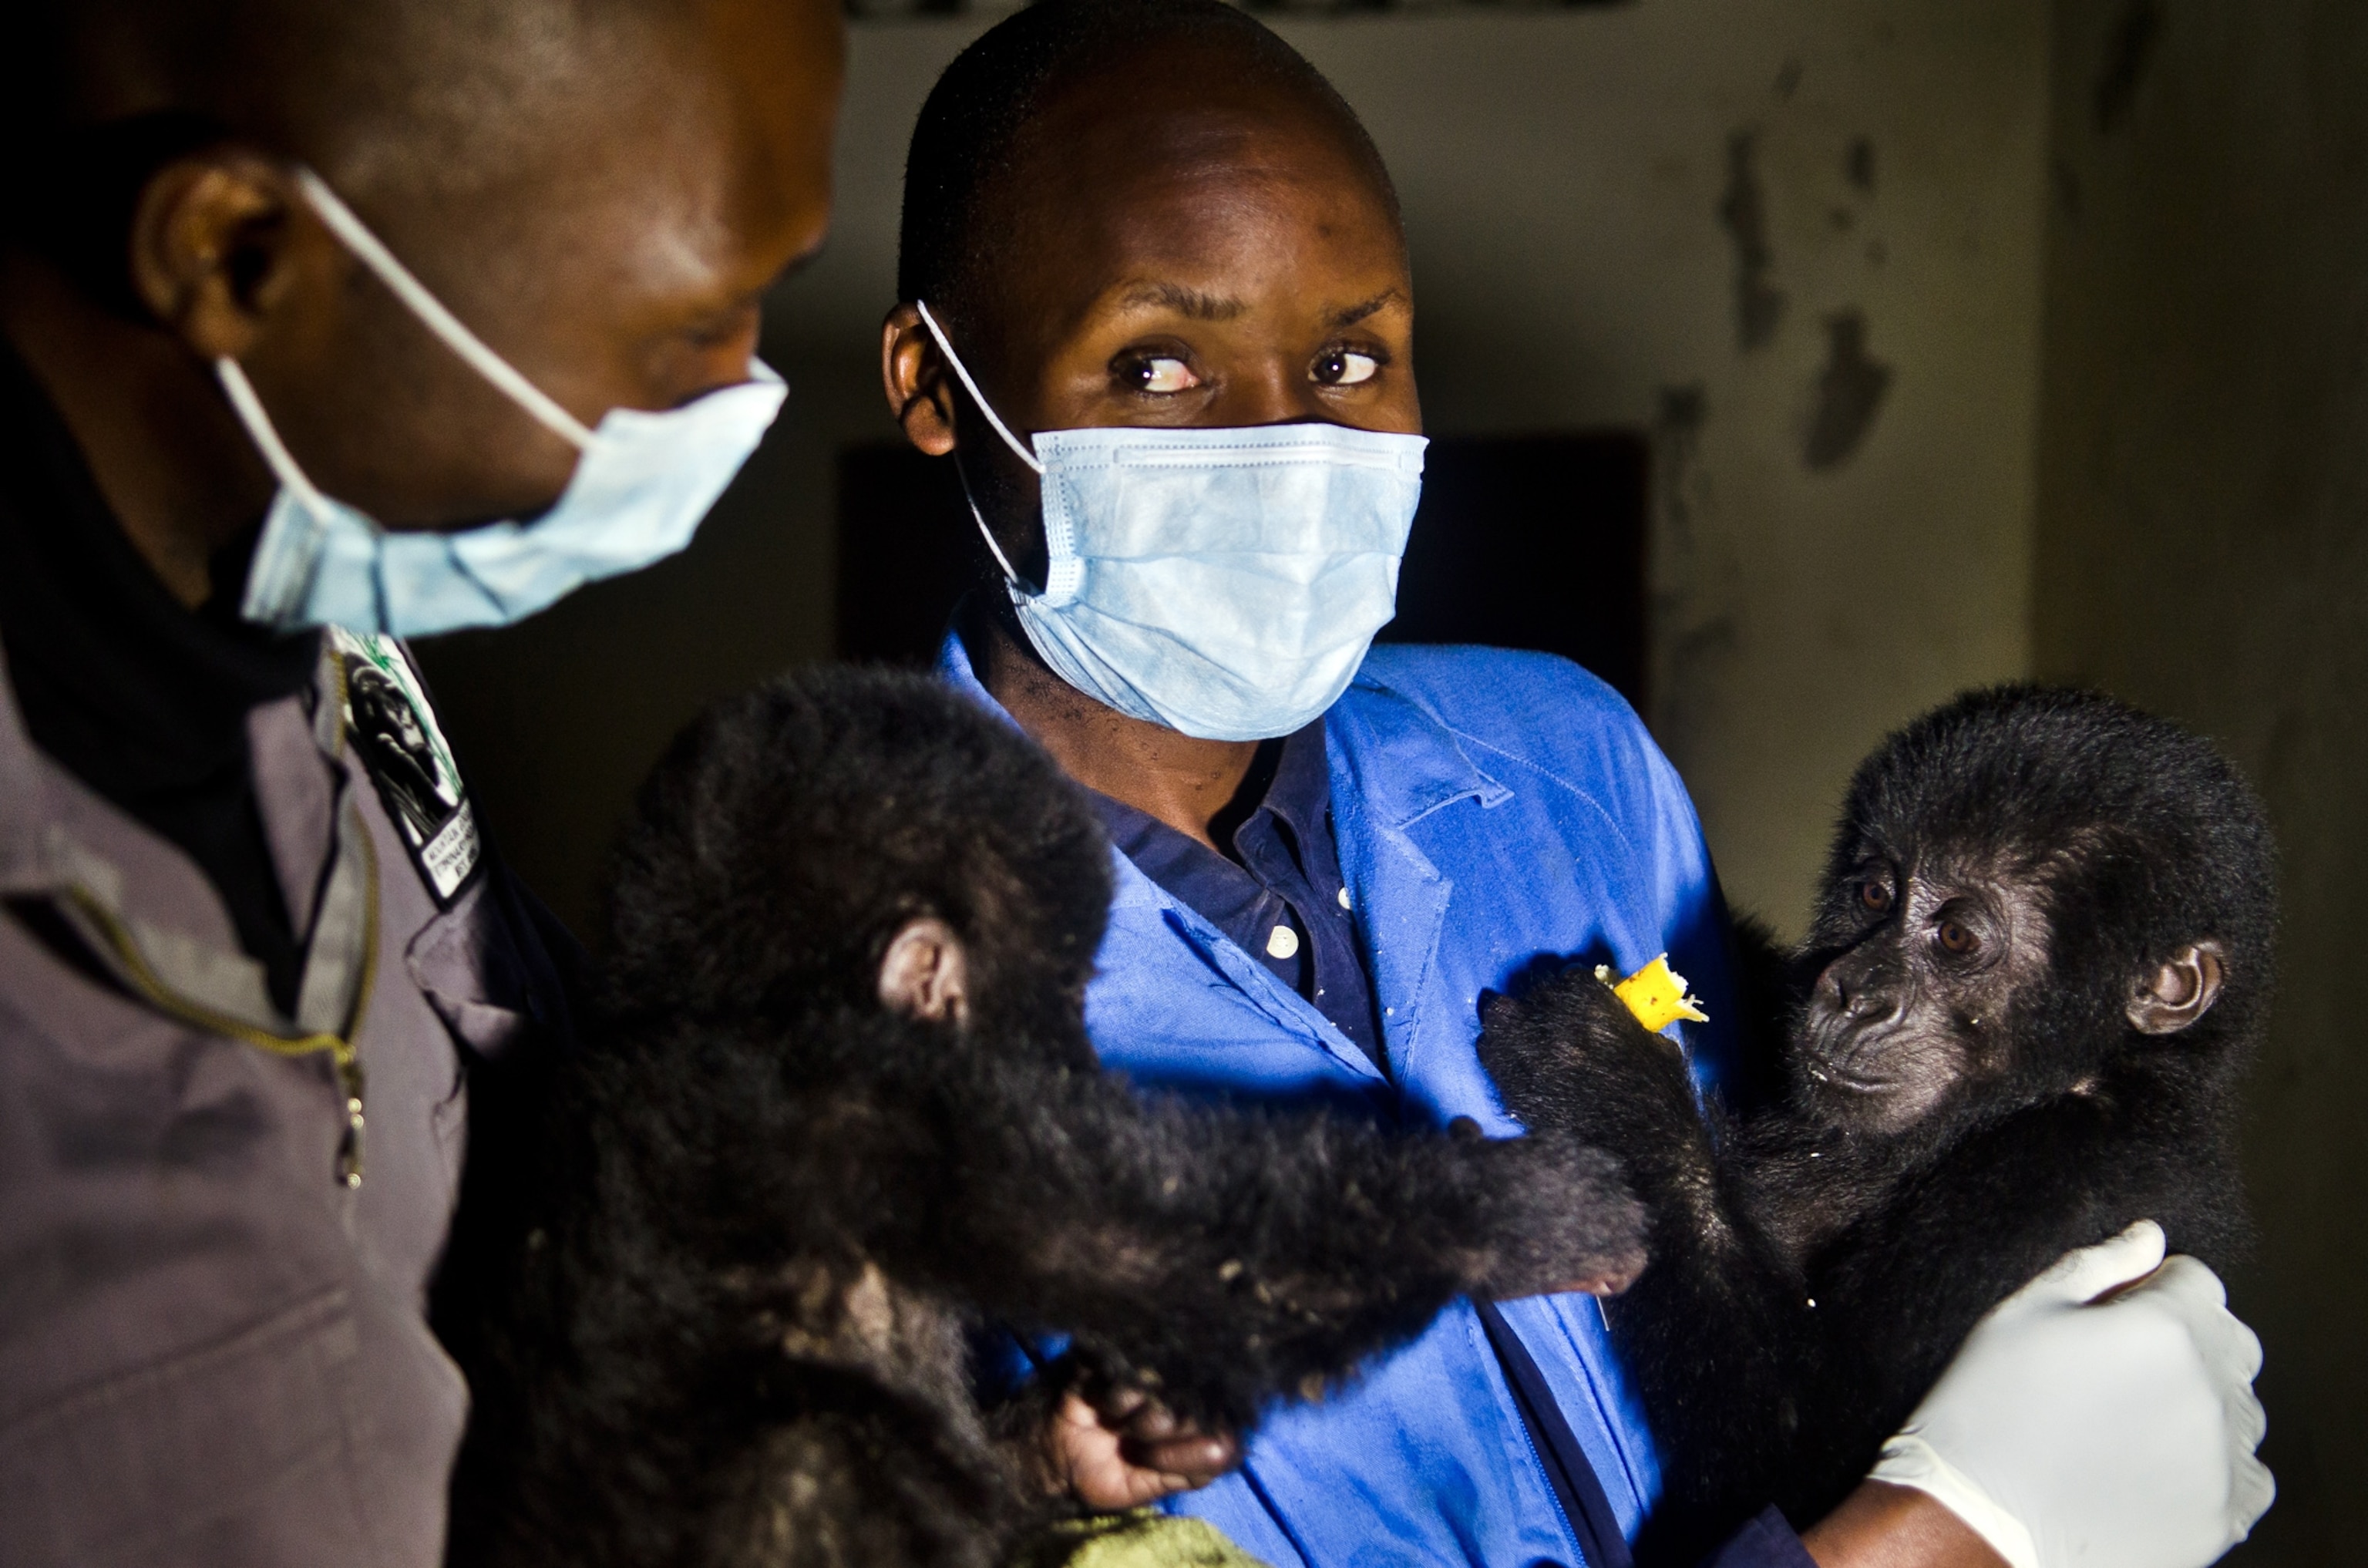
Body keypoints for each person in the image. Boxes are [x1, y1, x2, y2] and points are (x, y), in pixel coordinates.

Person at [879, 4, 2273, 1566]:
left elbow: (1732, 1110)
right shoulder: (839, 1011)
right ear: (933, 385)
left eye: (1348, 355)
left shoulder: (1563, 758)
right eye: (1158, 362)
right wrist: (1943, 1530)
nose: (1284, 440)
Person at [0, 1, 841, 1562]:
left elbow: (471, 1055)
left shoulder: (320, 649)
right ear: (234, 255)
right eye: (682, 331)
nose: (740, 391)